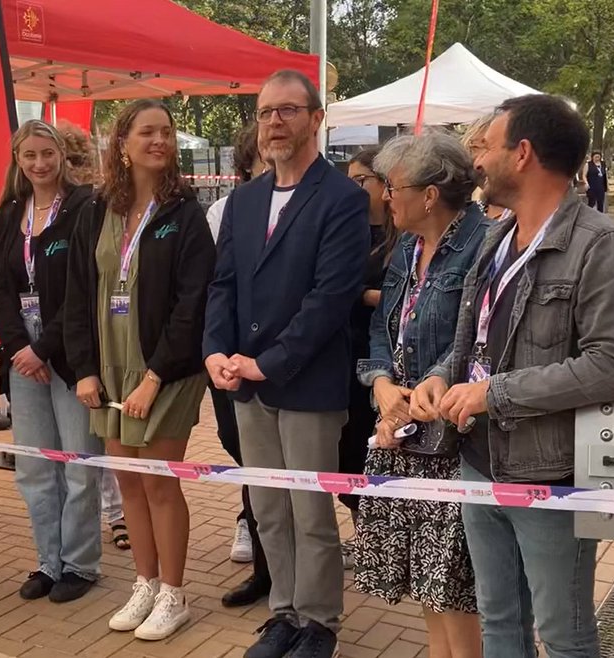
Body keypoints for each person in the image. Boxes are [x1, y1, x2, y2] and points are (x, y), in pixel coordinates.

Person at [411, 94, 614, 658]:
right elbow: (476, 339)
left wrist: (493, 393)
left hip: (550, 474)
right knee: (498, 621)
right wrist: (442, 376)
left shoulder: (601, 246)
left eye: (487, 147)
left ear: (522, 153)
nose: (477, 162)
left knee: (564, 634)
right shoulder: (497, 237)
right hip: (478, 461)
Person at [203, 70, 369, 658]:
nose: (274, 121)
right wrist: (215, 351)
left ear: (315, 119)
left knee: (309, 511)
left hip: (306, 383)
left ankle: (319, 623)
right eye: (266, 111)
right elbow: (222, 285)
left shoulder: (342, 199)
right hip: (245, 385)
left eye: (288, 110)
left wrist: (267, 363)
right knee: (268, 508)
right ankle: (284, 614)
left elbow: (330, 298)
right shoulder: (244, 201)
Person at [65, 99, 215, 640]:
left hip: (166, 370)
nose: (160, 141)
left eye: (166, 132)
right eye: (147, 132)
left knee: (158, 483)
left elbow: (193, 304)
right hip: (110, 365)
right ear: (122, 144)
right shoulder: (95, 209)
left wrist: (155, 377)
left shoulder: (185, 214)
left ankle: (174, 593)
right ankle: (145, 582)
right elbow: (76, 293)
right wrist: (84, 369)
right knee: (127, 479)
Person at [353, 132, 487, 658]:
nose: (385, 196)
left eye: (394, 186)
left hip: (454, 436)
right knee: (425, 580)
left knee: (454, 586)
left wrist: (421, 391)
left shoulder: (484, 243)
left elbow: (475, 337)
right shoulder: (407, 247)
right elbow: (382, 328)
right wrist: (382, 385)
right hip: (404, 432)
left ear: (429, 195)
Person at [0, 119, 103, 603]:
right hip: (24, 359)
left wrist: (44, 347)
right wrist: (20, 347)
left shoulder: (84, 207)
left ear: (61, 156)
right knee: (35, 467)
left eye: (47, 153)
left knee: (79, 464)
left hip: (69, 354)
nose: (40, 164)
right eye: (30, 155)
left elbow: (83, 289)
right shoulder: (9, 213)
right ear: (18, 159)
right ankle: (48, 562)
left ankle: (80, 564)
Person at [55, 119, 132, 551]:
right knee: (88, 442)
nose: (72, 167)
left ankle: (117, 513)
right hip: (74, 341)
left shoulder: (97, 203)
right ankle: (111, 513)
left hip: (109, 337)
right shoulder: (35, 207)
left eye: (76, 158)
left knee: (108, 438)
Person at [205, 123, 272, 608]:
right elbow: (219, 286)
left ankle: (287, 582)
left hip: (279, 361)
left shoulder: (316, 205)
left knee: (284, 470)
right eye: (261, 162)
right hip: (231, 358)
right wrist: (216, 351)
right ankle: (263, 563)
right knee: (242, 449)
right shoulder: (224, 211)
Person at [338, 147, 396, 567]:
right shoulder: (347, 228)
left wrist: (364, 295)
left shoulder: (404, 235)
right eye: (350, 181)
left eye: (362, 181)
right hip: (347, 354)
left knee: (376, 449)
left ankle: (377, 542)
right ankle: (366, 535)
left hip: (386, 359)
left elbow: (411, 294)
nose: (354, 189)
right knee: (348, 453)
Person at [461, 116, 510, 221]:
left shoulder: (527, 217)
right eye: (474, 148)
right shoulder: (464, 216)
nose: (481, 161)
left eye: (488, 148)